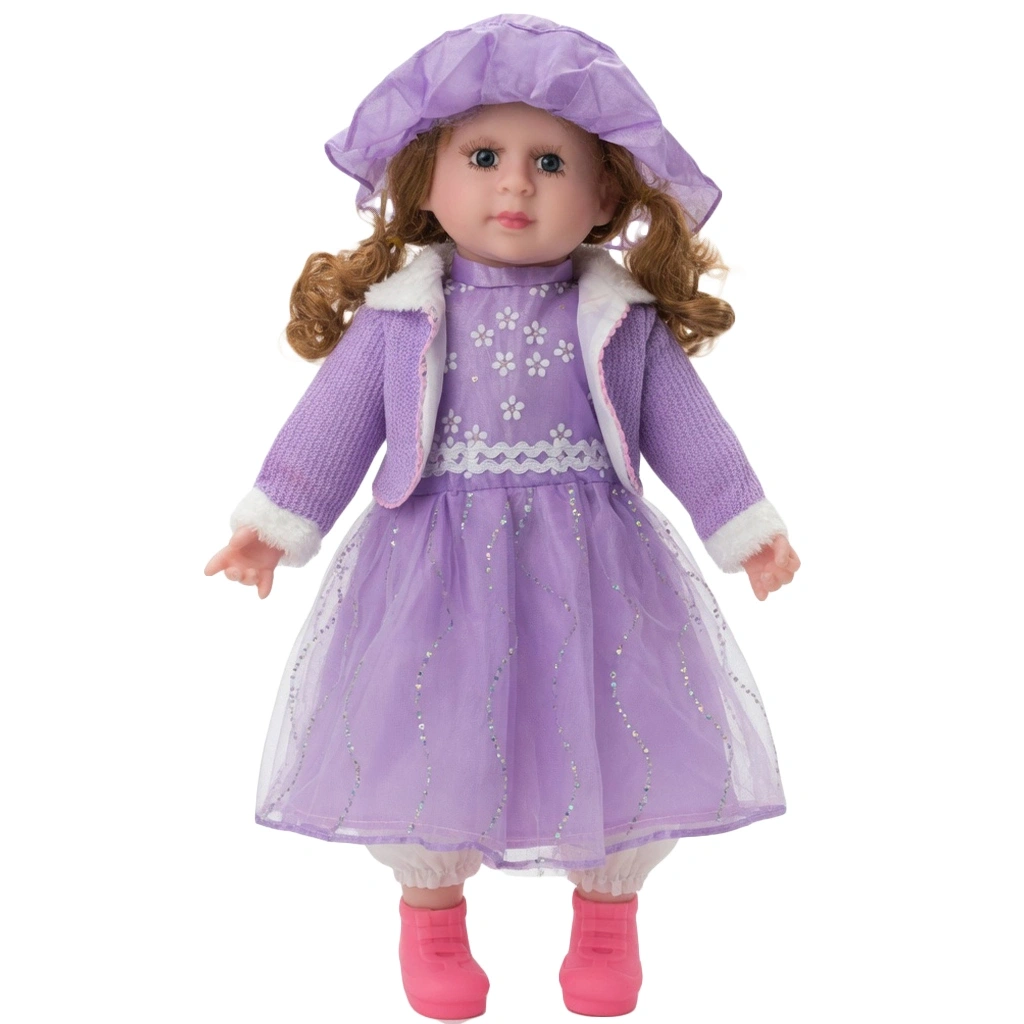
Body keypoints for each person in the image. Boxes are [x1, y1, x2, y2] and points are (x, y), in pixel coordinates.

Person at [206, 15, 800, 1020]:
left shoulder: (618, 318)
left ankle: (606, 918)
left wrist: (744, 526)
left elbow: (689, 430)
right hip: (431, 567)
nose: (515, 185)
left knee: (611, 722)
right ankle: (431, 916)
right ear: (426, 181)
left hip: (595, 566)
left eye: (550, 162)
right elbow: (332, 424)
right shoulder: (400, 315)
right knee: (427, 727)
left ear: (604, 195)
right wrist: (277, 520)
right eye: (483, 157)